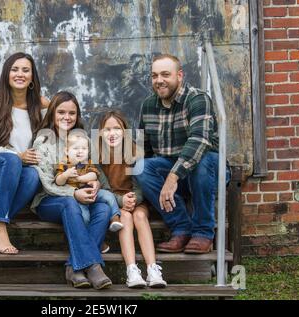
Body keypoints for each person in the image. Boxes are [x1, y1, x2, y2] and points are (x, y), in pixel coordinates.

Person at [134, 54, 231, 254]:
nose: (159, 80)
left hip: (208, 171)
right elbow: (145, 150)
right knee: (140, 167)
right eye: (154, 76)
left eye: (165, 74)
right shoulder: (148, 105)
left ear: (179, 75)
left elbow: (200, 141)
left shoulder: (197, 99)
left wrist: (172, 177)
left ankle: (203, 233)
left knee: (202, 160)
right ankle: (181, 228)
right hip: (174, 172)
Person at [31, 91, 113, 290]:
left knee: (103, 209)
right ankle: (94, 266)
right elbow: (47, 184)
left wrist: (97, 184)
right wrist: (74, 193)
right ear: (51, 113)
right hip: (50, 201)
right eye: (61, 112)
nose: (67, 117)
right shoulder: (43, 142)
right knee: (69, 203)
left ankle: (73, 268)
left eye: (72, 113)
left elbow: (95, 170)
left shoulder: (82, 140)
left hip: (82, 198)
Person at [0, 52, 49, 255]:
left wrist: (50, 106)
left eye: (25, 70)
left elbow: (53, 136)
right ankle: (1, 227)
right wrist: (17, 156)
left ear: (32, 77)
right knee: (12, 159)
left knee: (33, 174)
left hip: (16, 173)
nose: (19, 74)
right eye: (14, 69)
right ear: (6, 74)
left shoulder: (37, 109)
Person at [98, 111, 167, 288]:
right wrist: (122, 201)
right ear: (100, 133)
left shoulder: (136, 151)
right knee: (126, 218)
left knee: (139, 216)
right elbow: (104, 189)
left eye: (116, 129)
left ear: (125, 131)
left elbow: (140, 183)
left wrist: (134, 199)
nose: (112, 133)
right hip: (113, 201)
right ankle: (132, 270)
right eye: (107, 130)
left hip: (136, 198)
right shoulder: (96, 155)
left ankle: (153, 269)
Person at [54, 129, 123, 232]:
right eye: (76, 148)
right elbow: (58, 182)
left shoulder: (88, 162)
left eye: (84, 148)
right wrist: (65, 175)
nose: (80, 151)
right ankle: (89, 237)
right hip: (74, 199)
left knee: (109, 196)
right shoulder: (63, 164)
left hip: (91, 192)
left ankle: (114, 218)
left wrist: (80, 178)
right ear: (67, 151)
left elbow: (93, 175)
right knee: (84, 217)